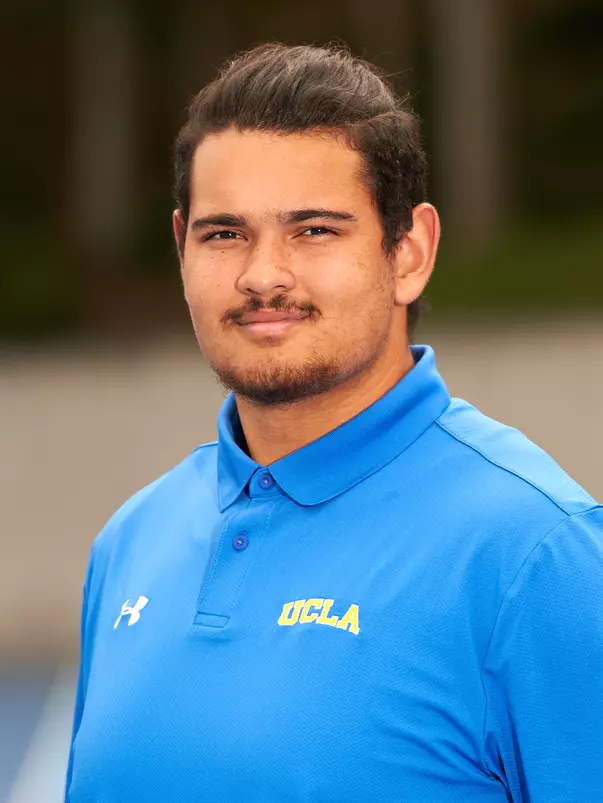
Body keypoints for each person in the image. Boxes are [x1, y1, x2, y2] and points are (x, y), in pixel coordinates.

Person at [65, 43, 603, 802]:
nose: (262, 275)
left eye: (313, 230)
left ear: (408, 252)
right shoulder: (131, 539)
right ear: (181, 248)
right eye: (224, 233)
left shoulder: (536, 555)